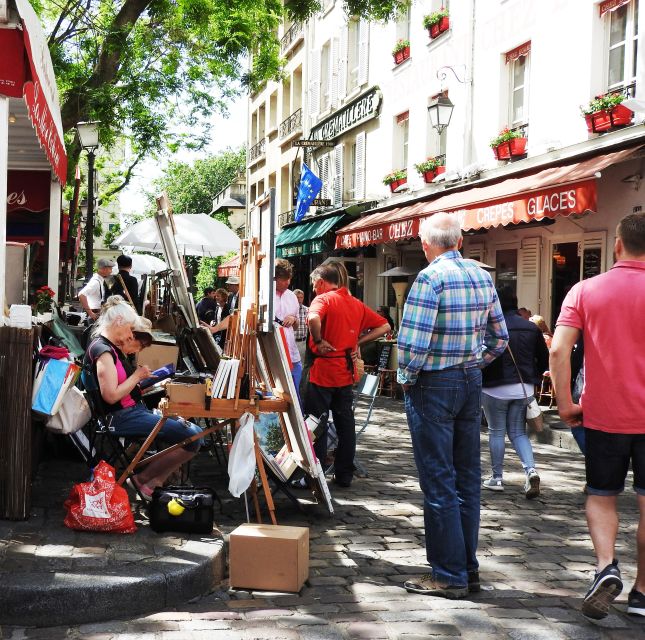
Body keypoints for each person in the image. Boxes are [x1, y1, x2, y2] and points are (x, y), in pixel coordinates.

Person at [397, 212, 508, 599]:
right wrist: (475, 363)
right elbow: (500, 337)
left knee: (439, 480)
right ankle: (466, 568)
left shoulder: (430, 278)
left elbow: (413, 344)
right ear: (459, 242)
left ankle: (448, 575)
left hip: (435, 383)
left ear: (427, 246)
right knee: (467, 479)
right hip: (469, 379)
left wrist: (406, 379)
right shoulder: (482, 276)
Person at [550, 212, 645, 620]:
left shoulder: (585, 289)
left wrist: (564, 404)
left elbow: (558, 350)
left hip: (604, 414)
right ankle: (642, 593)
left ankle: (606, 566)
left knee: (602, 494)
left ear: (617, 245)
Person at [84, 296, 203, 500]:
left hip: (130, 412)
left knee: (194, 433)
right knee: (193, 437)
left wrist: (140, 382)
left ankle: (149, 481)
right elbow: (111, 396)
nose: (131, 334)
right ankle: (145, 481)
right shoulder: (103, 351)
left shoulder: (109, 348)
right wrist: (137, 376)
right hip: (122, 417)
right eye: (130, 328)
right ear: (119, 321)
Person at [304, 263, 390, 488]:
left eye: (314, 284)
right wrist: (356, 342)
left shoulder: (322, 299)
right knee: (345, 424)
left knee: (317, 422)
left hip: (323, 371)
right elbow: (385, 326)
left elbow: (313, 319)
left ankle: (318, 474)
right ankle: (344, 474)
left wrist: (319, 340)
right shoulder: (355, 303)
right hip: (344, 371)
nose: (314, 289)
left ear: (322, 282)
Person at [481, 287, 549, 499]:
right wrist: (535, 379)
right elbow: (543, 358)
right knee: (519, 432)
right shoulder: (531, 328)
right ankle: (530, 470)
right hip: (523, 387)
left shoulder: (490, 327)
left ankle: (497, 478)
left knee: (496, 431)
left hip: (494, 386)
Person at [274, 259, 303, 404]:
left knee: (295, 395)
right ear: (274, 278)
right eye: (283, 279)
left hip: (292, 354)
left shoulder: (291, 296)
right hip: (273, 354)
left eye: (289, 279)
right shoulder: (265, 295)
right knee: (276, 396)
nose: (287, 283)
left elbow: (296, 325)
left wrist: (293, 319)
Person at [293, 288, 309, 363]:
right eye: (297, 297)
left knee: (303, 363)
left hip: (303, 342)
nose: (299, 299)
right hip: (292, 341)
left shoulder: (307, 310)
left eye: (301, 297)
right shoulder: (290, 309)